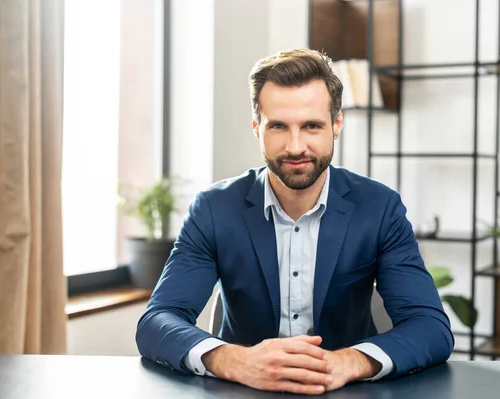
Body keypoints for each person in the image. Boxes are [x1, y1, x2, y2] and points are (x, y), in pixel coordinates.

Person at [136, 48, 454, 395]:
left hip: (348, 391)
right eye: (278, 127)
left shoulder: (379, 209)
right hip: (243, 391)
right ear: (257, 128)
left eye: (312, 126)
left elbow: (430, 326)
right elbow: (157, 321)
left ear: (336, 125)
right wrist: (235, 360)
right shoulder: (213, 209)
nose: (296, 146)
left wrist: (348, 362)